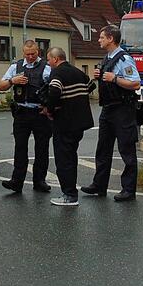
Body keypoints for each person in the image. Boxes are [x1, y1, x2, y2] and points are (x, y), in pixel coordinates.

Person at [80, 25, 142, 202]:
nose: (99, 40)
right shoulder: (107, 58)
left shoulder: (125, 59)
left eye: (101, 37)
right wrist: (100, 75)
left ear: (110, 39)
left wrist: (114, 78)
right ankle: (99, 185)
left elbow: (135, 83)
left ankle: (128, 190)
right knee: (103, 149)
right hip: (108, 109)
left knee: (126, 150)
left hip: (123, 109)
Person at [0, 40, 52, 194]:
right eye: (27, 54)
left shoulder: (46, 67)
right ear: (23, 53)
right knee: (20, 148)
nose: (30, 56)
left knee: (42, 148)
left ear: (38, 52)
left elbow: (54, 88)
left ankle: (39, 181)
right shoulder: (16, 66)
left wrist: (48, 106)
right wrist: (12, 81)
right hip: (21, 112)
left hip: (40, 113)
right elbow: (1, 85)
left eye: (33, 53)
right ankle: (16, 181)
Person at [44, 47, 94, 206]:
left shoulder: (57, 73)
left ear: (56, 59)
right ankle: (70, 191)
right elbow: (91, 85)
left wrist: (50, 110)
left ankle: (69, 194)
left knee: (63, 160)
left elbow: (53, 92)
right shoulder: (77, 71)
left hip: (64, 123)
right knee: (71, 156)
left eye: (49, 59)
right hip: (80, 123)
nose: (48, 63)